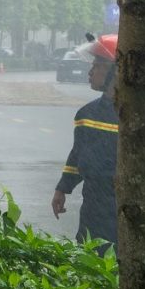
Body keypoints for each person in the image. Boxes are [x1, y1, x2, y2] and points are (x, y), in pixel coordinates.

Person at [52, 34, 120, 253]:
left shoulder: (135, 118)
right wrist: (63, 188)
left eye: (98, 66)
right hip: (92, 205)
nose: (91, 72)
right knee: (88, 260)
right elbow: (78, 154)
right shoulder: (86, 114)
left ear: (116, 70)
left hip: (120, 210)